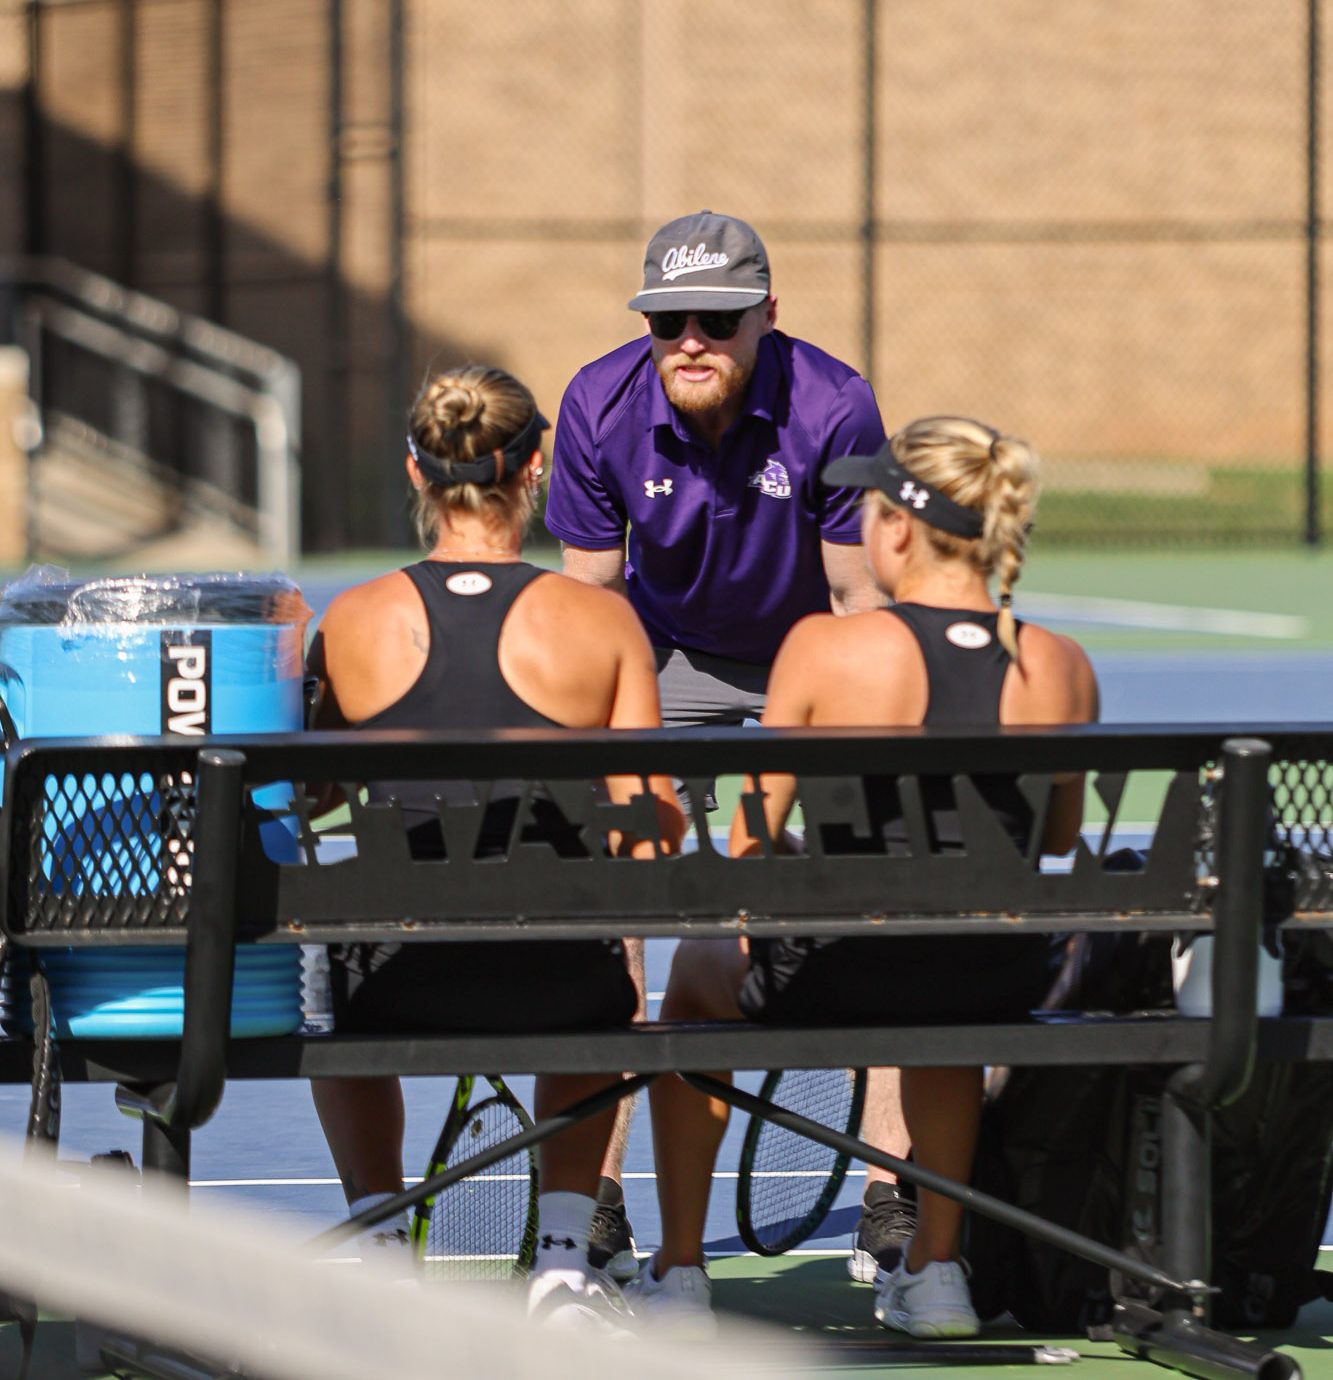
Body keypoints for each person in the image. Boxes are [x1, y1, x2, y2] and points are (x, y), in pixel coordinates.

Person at [628, 416, 1099, 1338]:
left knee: (693, 971)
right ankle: (936, 1270)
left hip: (837, 969)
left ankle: (679, 1268)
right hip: (994, 974)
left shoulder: (823, 648)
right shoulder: (1059, 665)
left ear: (898, 527)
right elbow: (1056, 832)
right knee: (949, 996)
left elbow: (752, 841)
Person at [545, 209, 905, 1270]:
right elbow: (590, 602)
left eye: (717, 318)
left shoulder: (835, 403)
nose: (691, 340)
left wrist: (866, 749)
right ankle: (596, 1195)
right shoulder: (597, 402)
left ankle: (891, 1191)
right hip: (662, 654)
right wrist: (612, 765)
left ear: (767, 315)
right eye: (669, 322)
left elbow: (856, 596)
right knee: (613, 883)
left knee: (879, 874)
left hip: (807, 648)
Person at [306, 364, 684, 1326]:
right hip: (559, 982)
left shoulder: (351, 620)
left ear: (415, 469)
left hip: (391, 982)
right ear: (535, 465)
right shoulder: (601, 621)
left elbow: (312, 795)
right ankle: (561, 1262)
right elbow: (649, 825)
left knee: (330, 960)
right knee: (606, 966)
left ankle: (380, 1239)